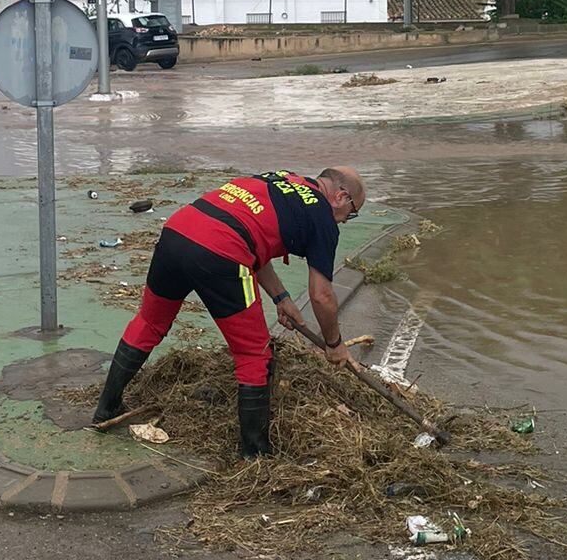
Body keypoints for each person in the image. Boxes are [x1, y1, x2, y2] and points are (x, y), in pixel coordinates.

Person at [90, 166, 366, 456]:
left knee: (149, 322)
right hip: (222, 253)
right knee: (254, 354)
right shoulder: (322, 217)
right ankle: (254, 455)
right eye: (353, 212)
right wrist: (335, 344)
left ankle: (106, 409)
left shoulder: (277, 178)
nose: (347, 220)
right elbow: (322, 295)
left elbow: (251, 236)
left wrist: (281, 297)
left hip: (177, 232)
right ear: (341, 196)